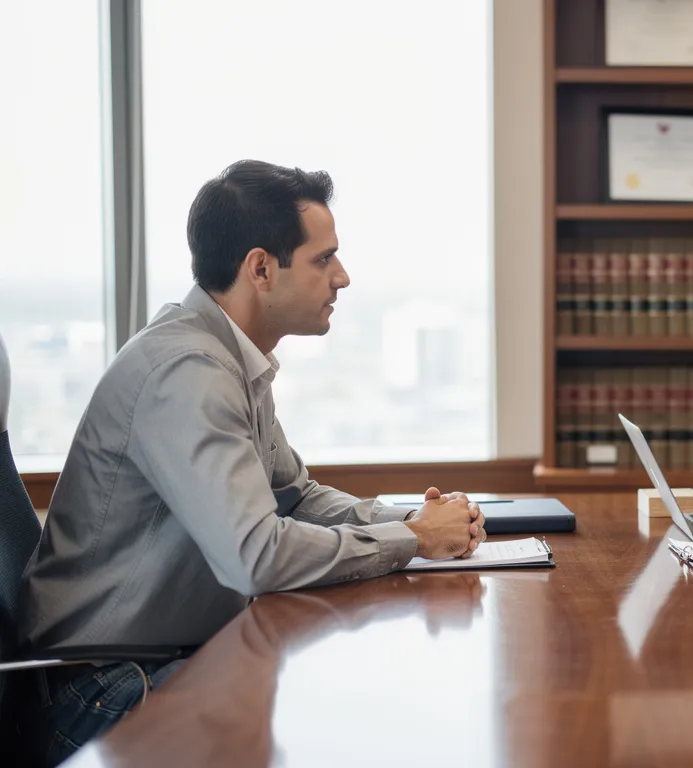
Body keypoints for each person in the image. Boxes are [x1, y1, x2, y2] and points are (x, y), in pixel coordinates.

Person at [16, 160, 485, 764]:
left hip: (159, 661)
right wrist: (412, 539)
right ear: (261, 268)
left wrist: (415, 521)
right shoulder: (188, 372)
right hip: (100, 691)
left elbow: (296, 495)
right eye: (323, 259)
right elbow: (256, 556)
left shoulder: (229, 358)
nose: (342, 277)